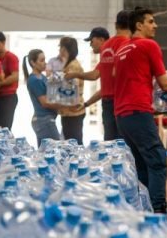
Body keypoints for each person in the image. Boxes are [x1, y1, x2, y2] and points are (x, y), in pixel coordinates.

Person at [113, 7, 167, 214]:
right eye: (151, 21)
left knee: (142, 164)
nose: (155, 25)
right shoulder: (149, 45)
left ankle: (143, 211)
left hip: (121, 115)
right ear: (139, 25)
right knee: (158, 161)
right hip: (138, 111)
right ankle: (158, 213)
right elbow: (166, 84)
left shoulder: (122, 49)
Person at [66, 11, 131, 141]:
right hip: (115, 101)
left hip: (117, 102)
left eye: (92, 40)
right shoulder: (116, 48)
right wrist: (86, 104)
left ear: (101, 39)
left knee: (113, 141)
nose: (90, 44)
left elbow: (95, 76)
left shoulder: (110, 47)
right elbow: (105, 88)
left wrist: (74, 74)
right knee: (117, 141)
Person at [23, 49, 77, 145]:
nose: (45, 63)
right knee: (56, 150)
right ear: (33, 63)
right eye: (42, 60)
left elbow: (52, 94)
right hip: (44, 120)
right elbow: (45, 103)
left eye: (45, 60)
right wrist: (66, 106)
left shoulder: (42, 77)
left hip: (45, 120)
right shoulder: (35, 80)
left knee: (45, 154)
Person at [57, 36, 86, 145]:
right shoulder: (68, 65)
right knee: (71, 142)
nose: (59, 50)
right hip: (69, 112)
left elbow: (71, 92)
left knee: (74, 145)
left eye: (60, 47)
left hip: (73, 112)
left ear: (65, 49)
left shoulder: (72, 66)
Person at [0, 31, 19, 131]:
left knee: (5, 127)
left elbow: (15, 77)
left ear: (3, 42)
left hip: (9, 97)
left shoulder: (11, 57)